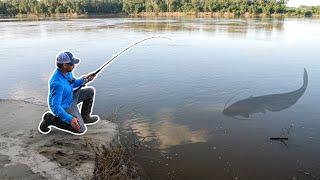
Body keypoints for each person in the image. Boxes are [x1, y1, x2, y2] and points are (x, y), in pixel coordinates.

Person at [39, 51, 99, 135]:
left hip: (70, 96)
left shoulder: (67, 72)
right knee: (81, 129)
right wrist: (70, 119)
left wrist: (85, 79)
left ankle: (85, 117)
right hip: (64, 106)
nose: (74, 65)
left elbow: (73, 83)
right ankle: (51, 119)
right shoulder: (57, 83)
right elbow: (56, 107)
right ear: (65, 65)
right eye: (72, 64)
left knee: (90, 91)